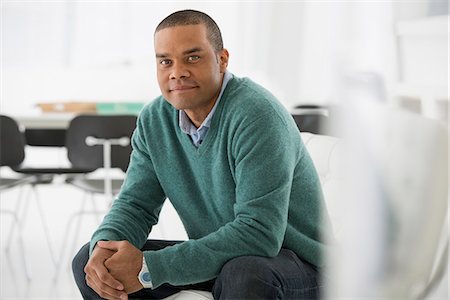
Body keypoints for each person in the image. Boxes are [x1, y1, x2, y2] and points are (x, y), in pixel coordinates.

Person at [72, 9, 329, 300]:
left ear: (222, 60)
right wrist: (104, 246)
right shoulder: (155, 119)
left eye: (192, 57)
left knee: (245, 273)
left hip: (301, 267)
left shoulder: (257, 115)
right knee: (91, 262)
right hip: (226, 258)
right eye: (165, 61)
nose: (177, 71)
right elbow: (135, 205)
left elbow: (260, 234)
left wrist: (149, 267)